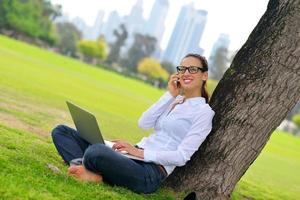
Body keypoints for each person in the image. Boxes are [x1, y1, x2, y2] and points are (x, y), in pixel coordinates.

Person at [51, 53, 215, 194]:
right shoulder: (175, 100)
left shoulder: (203, 113)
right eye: (182, 69)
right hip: (133, 155)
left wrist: (138, 153)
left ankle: (88, 169)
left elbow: (181, 157)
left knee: (96, 152)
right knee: (62, 132)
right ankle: (89, 169)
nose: (185, 73)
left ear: (204, 75)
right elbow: (144, 123)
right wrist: (170, 94)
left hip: (150, 171)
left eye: (192, 69)